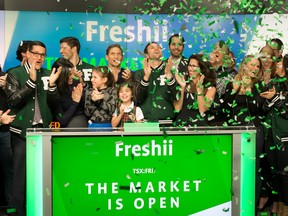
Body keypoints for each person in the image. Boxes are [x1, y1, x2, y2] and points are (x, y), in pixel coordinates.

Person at [5, 40, 52, 216]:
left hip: (44, 132)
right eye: (36, 53)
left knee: (43, 175)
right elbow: (13, 99)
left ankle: (41, 210)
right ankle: (18, 212)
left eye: (43, 54)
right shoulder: (14, 74)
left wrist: (54, 86)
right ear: (28, 53)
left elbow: (55, 104)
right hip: (22, 132)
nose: (39, 57)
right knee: (20, 176)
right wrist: (31, 82)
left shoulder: (48, 74)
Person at [224, 54, 266, 210]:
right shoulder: (232, 84)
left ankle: (250, 207)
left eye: (257, 66)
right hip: (234, 131)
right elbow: (225, 108)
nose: (254, 69)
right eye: (252, 65)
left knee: (252, 169)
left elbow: (256, 109)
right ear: (244, 66)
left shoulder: (260, 86)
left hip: (254, 131)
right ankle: (232, 206)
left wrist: (249, 90)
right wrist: (234, 91)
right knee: (233, 168)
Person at [260, 54, 288, 215]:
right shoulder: (272, 83)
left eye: (280, 64)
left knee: (285, 175)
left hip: (284, 136)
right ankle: (277, 204)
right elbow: (264, 109)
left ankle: (286, 207)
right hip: (270, 135)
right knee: (274, 173)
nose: (276, 65)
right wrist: (271, 99)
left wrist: (276, 98)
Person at [134, 42, 179, 122]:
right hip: (145, 121)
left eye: (158, 47)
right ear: (146, 55)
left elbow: (177, 97)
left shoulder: (170, 71)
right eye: (152, 47)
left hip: (167, 120)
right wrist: (146, 78)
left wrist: (169, 77)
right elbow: (138, 98)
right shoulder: (139, 74)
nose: (156, 49)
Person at [173, 54, 216, 127]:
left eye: (194, 66)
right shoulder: (183, 82)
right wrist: (182, 87)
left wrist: (199, 91)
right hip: (181, 126)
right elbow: (177, 108)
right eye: (189, 65)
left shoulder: (210, 89)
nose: (190, 69)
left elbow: (203, 109)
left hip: (200, 127)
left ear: (202, 68)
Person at [48, 58, 87, 127]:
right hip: (59, 127)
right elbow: (62, 120)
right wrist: (75, 102)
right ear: (61, 75)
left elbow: (86, 110)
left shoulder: (75, 84)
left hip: (78, 122)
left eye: (73, 73)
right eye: (69, 74)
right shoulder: (53, 91)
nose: (72, 76)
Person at [208, 40, 238, 126]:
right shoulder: (206, 70)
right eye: (215, 48)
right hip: (205, 116)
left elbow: (220, 90)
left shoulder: (231, 73)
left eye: (220, 49)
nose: (216, 51)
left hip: (221, 119)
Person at [0, 71, 15, 208]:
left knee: (9, 170)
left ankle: (12, 207)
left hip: (4, 132)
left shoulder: (6, 76)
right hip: (2, 124)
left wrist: (6, 88)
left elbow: (15, 102)